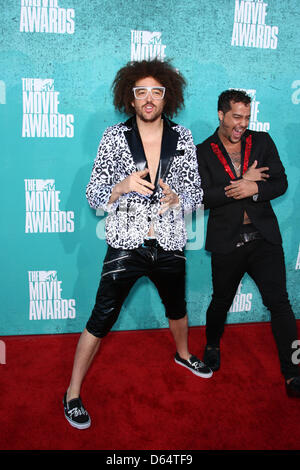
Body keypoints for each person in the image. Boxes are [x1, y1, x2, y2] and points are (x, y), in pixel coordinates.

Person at [63, 59, 212, 430]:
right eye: (141, 92)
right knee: (101, 318)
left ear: (167, 97)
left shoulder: (184, 137)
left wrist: (181, 200)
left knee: (176, 308)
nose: (149, 99)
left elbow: (197, 192)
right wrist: (121, 186)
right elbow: (94, 194)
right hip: (126, 244)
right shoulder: (114, 137)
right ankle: (72, 393)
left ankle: (183, 354)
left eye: (156, 92)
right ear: (130, 98)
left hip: (170, 241)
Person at [196, 89, 300, 398]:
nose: (242, 124)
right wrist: (236, 187)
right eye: (236, 117)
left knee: (280, 303)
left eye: (247, 117)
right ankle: (212, 343)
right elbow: (201, 197)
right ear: (221, 114)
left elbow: (280, 182)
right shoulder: (202, 151)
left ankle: (294, 372)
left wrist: (254, 188)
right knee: (221, 301)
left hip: (264, 239)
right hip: (227, 242)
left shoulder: (263, 142)